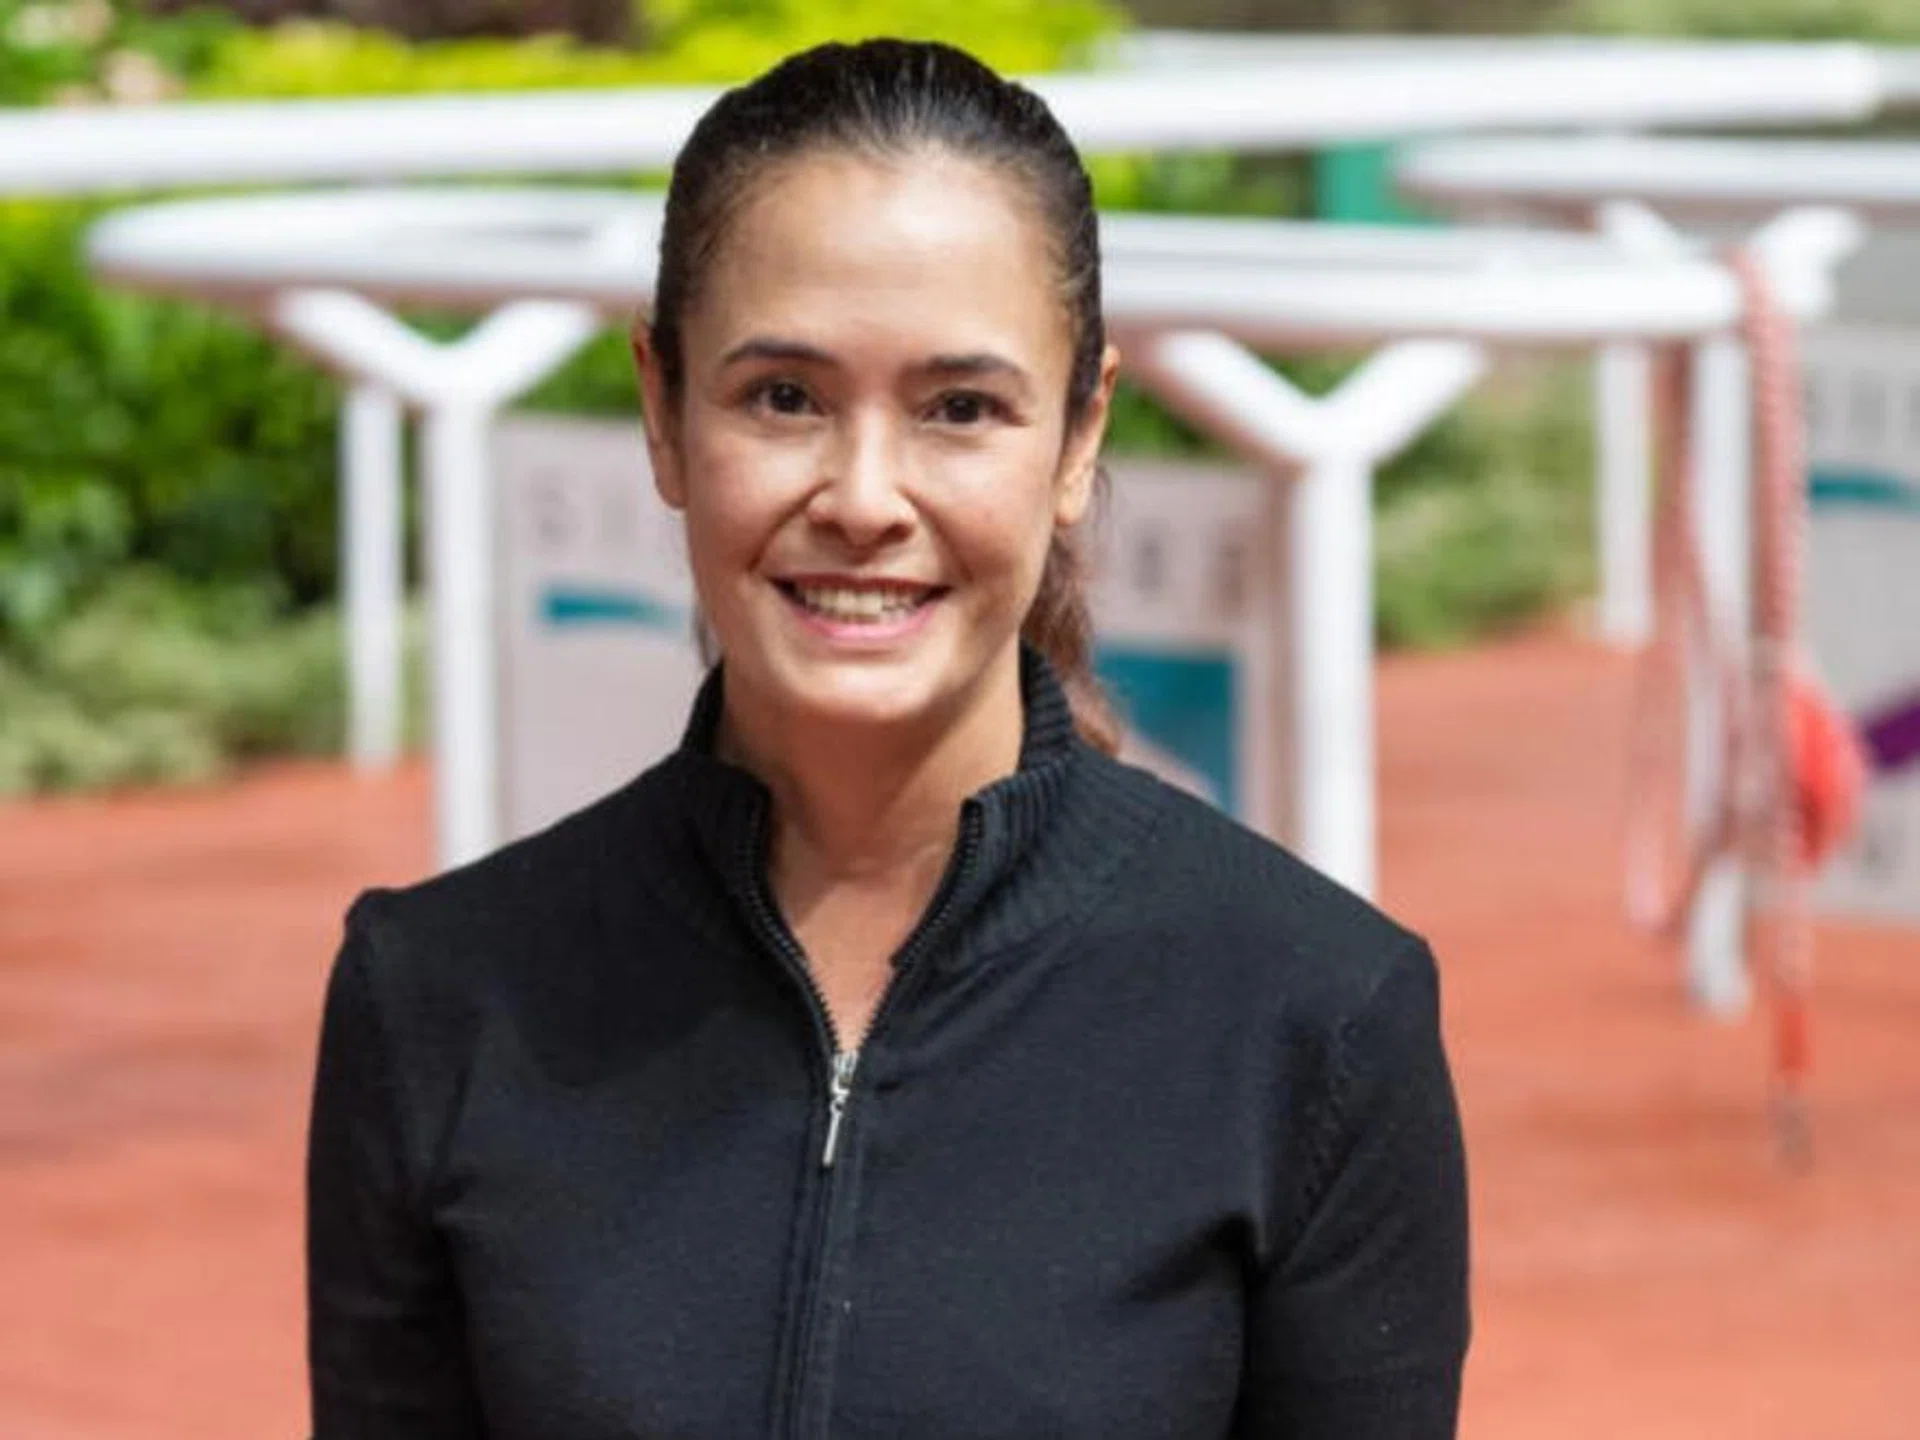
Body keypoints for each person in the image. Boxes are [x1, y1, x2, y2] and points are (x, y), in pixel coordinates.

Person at [306, 37, 1470, 1439]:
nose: (865, 496)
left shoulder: (1318, 1019)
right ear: (664, 417)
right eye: (782, 396)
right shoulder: (437, 996)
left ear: (1080, 437)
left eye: (960, 409)